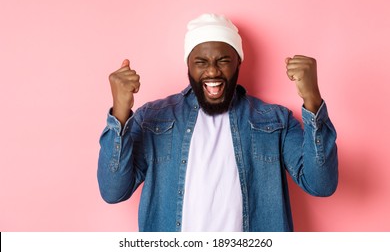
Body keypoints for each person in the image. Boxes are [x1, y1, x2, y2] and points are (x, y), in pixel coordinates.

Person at [97, 13, 338, 232]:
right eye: (201, 62)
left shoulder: (276, 121)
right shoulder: (152, 118)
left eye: (223, 60)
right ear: (188, 65)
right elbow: (113, 191)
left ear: (238, 63)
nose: (212, 71)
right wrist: (120, 111)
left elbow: (321, 184)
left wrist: (312, 99)